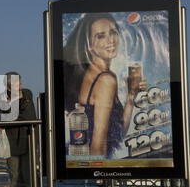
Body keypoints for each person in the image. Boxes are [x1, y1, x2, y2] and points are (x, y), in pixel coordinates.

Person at [63, 12, 147, 157]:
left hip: (84, 162)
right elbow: (98, 144)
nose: (111, 40)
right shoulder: (106, 80)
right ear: (89, 45)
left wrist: (130, 97)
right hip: (92, 164)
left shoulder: (92, 74)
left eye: (113, 32)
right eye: (101, 36)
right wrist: (97, 174)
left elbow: (116, 135)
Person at [0, 72, 37, 187]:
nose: (20, 87)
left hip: (27, 140)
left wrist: (4, 121)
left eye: (20, 84)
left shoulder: (26, 94)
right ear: (8, 88)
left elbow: (27, 117)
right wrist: (1, 122)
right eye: (17, 85)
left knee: (29, 175)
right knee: (15, 177)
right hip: (10, 144)